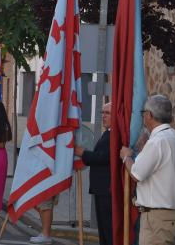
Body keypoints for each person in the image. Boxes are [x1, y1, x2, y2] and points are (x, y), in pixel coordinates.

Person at [120, 95, 175, 245]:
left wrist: (126, 157)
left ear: (149, 115)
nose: (143, 117)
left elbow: (136, 174)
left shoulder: (157, 141)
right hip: (173, 216)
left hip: (158, 218)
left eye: (143, 113)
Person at [75, 103, 112, 245]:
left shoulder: (114, 134)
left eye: (107, 113)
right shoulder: (107, 133)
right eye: (102, 112)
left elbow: (104, 157)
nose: (103, 116)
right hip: (100, 188)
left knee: (107, 228)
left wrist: (83, 153)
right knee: (103, 228)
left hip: (106, 189)